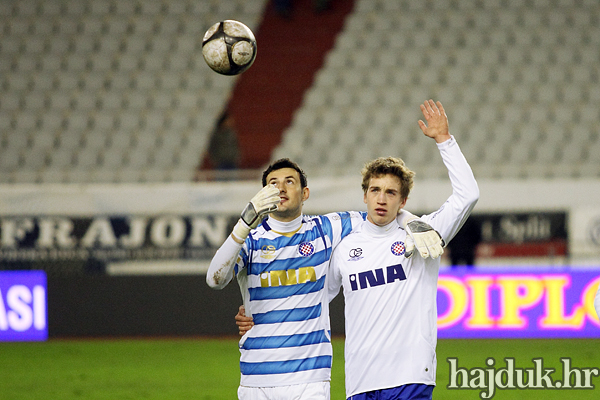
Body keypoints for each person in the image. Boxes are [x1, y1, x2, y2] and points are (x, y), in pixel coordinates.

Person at [206, 157, 444, 398]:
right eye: (272, 183)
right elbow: (215, 279)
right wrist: (246, 221)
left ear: (305, 192)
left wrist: (412, 221)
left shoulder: (327, 229)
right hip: (256, 379)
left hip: (311, 380)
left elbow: (382, 214)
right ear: (262, 195)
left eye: (290, 181)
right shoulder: (251, 241)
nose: (281, 188)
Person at [328, 100, 479, 399]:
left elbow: (468, 195)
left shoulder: (422, 234)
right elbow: (315, 298)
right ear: (365, 195)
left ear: (403, 200)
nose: (381, 199)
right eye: (375, 190)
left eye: (391, 192)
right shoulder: (345, 247)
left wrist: (444, 141)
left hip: (410, 376)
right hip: (361, 381)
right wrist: (258, 314)